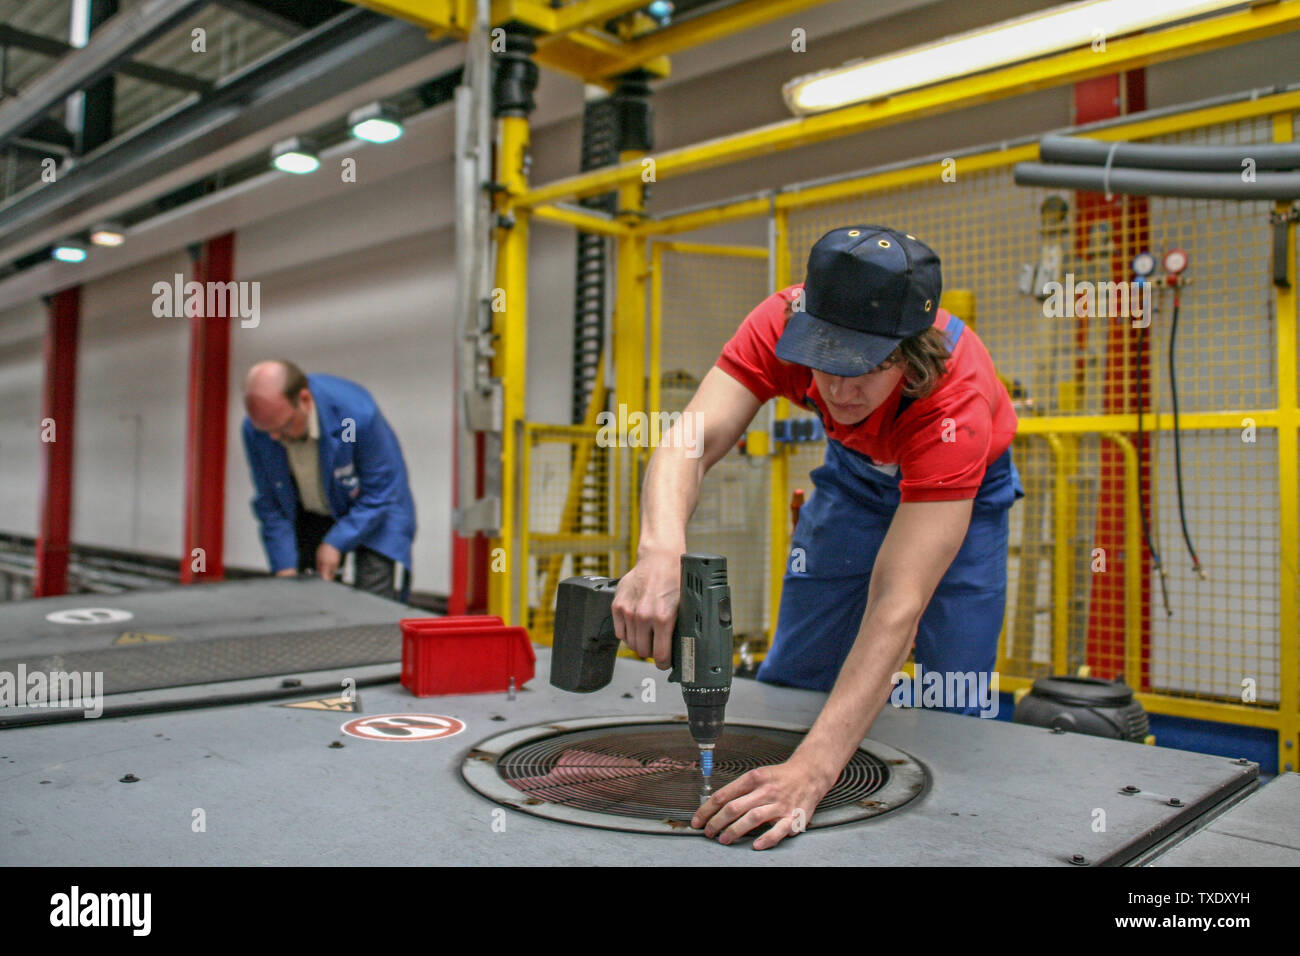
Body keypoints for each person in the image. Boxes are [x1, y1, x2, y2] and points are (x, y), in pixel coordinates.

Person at [611, 225, 1023, 849]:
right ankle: (760, 787)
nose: (838, 389)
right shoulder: (778, 321)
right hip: (855, 481)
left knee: (952, 696)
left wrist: (815, 771)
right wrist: (659, 551)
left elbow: (897, 602)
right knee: (796, 672)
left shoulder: (953, 401)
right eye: (824, 358)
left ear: (911, 356)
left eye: (863, 368)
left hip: (963, 493)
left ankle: (942, 846)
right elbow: (687, 443)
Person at [241, 360, 416, 602]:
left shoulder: (354, 416)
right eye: (266, 431)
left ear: (304, 400)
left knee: (375, 606)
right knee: (306, 600)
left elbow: (381, 491)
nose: (274, 438)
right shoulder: (257, 429)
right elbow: (271, 502)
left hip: (374, 510)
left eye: (283, 427)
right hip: (313, 510)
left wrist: (336, 543)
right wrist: (284, 566)